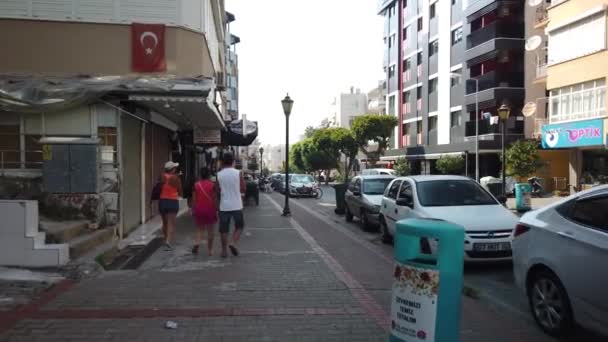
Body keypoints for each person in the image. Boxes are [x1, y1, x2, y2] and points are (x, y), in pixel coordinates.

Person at [216, 152, 245, 258]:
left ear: (223, 162)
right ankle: (232, 242)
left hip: (224, 206)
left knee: (224, 230)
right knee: (239, 226)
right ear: (233, 161)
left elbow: (217, 190)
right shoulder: (238, 173)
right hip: (237, 205)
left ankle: (224, 251)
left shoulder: (219, 174)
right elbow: (243, 188)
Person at [191, 167, 218, 256]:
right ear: (209, 175)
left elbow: (194, 199)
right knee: (210, 231)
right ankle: (210, 250)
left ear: (200, 175)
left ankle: (197, 243)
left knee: (200, 229)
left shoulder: (196, 185)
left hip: (199, 209)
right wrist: (217, 209)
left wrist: (193, 209)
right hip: (210, 209)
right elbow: (214, 199)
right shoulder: (212, 185)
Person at [159, 161, 183, 250]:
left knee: (164, 222)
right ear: (172, 170)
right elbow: (180, 191)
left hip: (162, 201)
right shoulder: (176, 179)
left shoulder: (161, 177)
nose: (176, 169)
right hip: (172, 201)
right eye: (174, 168)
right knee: (171, 223)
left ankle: (165, 239)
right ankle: (168, 241)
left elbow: (158, 187)